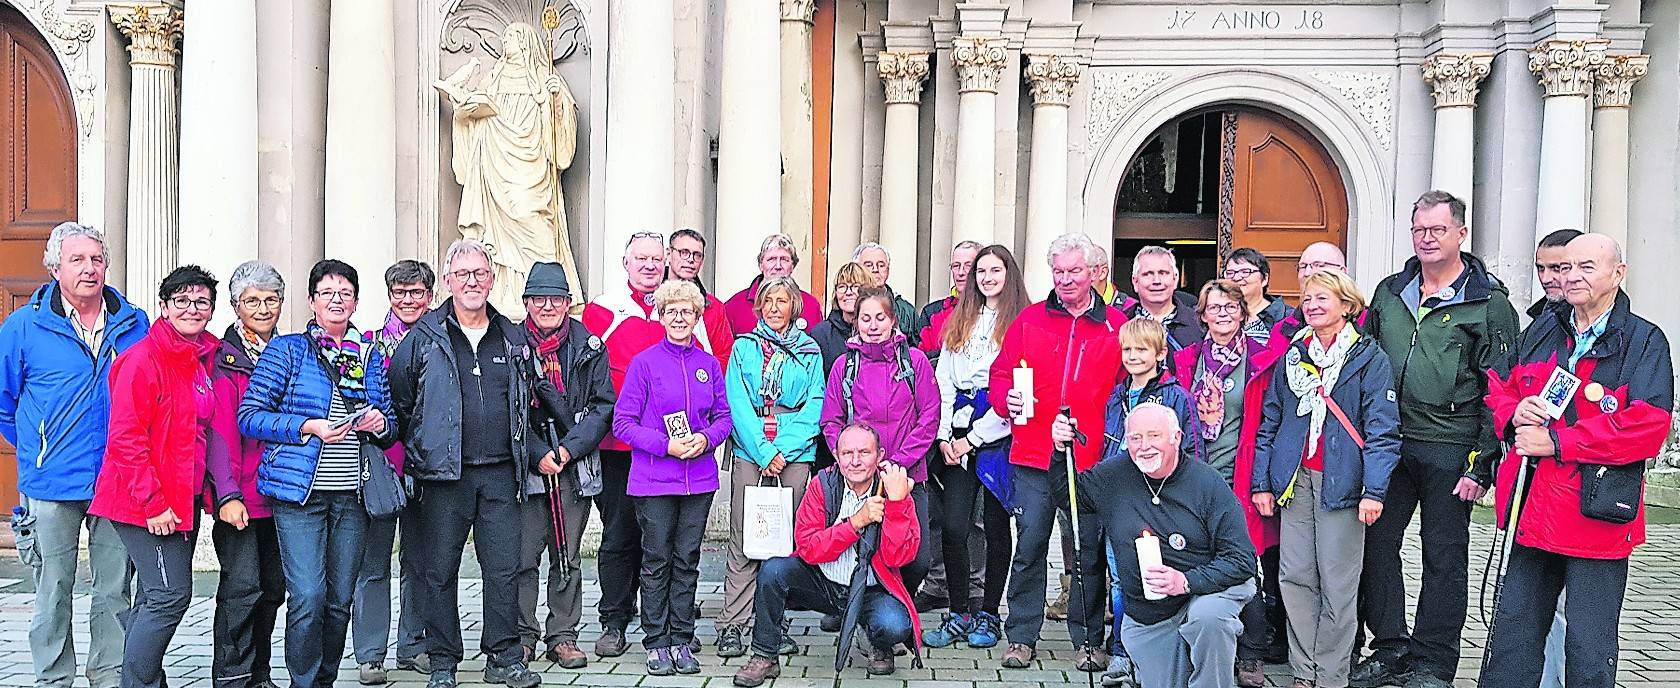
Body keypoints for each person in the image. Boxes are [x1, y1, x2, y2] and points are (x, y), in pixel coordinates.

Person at [1480, 233, 1671, 688]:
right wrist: (1513, 412)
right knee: (1511, 642)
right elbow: (1500, 386)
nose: (1571, 276)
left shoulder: (1644, 341)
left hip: (1596, 520)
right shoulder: (1545, 327)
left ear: (1617, 274)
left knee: (1589, 648)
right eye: (1565, 267)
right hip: (1533, 512)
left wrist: (1560, 442)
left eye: (1587, 266)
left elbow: (1646, 426)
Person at [1356, 190, 1518, 688]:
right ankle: (1389, 646)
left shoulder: (1488, 304)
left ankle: (1433, 660)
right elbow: (1365, 358)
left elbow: (1501, 389)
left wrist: (1482, 464)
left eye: (1437, 230)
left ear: (1460, 235)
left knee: (1442, 554)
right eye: (1419, 230)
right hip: (1388, 442)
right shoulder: (1390, 291)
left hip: (1452, 446)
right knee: (1377, 547)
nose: (1427, 239)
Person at [388, 240, 551, 688]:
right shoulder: (423, 336)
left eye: (480, 273)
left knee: (504, 568)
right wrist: (421, 454)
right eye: (463, 274)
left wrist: (538, 451)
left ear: (493, 279)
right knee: (438, 570)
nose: (472, 282)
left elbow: (526, 404)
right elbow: (402, 402)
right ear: (448, 282)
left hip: (501, 472)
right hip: (443, 477)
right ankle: (442, 660)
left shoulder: (512, 336)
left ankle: (504, 656)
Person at [239, 259, 398, 688]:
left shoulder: (369, 355)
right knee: (308, 595)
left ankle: (324, 680)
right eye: (327, 293)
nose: (336, 300)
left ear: (356, 302)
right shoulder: (288, 350)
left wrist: (380, 425)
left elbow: (390, 423)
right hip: (300, 495)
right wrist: (307, 427)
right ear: (311, 301)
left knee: (339, 600)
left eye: (345, 293)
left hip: (353, 494)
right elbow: (249, 417)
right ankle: (303, 682)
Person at [0, 222, 146, 688]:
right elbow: (4, 403)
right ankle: (53, 678)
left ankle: (108, 674)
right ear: (54, 268)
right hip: (51, 483)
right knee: (53, 588)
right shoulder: (24, 325)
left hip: (116, 479)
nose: (89, 269)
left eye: (97, 260)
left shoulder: (134, 323)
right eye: (78, 260)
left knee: (114, 589)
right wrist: (38, 449)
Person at [582, 232, 730, 655]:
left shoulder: (688, 313)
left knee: (674, 550)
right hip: (619, 447)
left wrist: (702, 437)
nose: (648, 265)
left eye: (654, 258)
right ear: (625, 262)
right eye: (639, 258)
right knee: (620, 536)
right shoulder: (605, 309)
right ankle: (615, 620)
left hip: (683, 459)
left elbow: (714, 379)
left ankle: (670, 627)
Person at [1253, 269, 1402, 688]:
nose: (1313, 305)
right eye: (1308, 298)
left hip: (1343, 484)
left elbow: (1382, 430)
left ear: (1347, 306)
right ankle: (1304, 672)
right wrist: (1263, 483)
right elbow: (1271, 422)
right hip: (1296, 482)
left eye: (1323, 298)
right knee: (1295, 578)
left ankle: (1332, 675)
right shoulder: (1292, 356)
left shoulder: (1369, 359)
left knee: (1337, 583)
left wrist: (1374, 490)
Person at [989, 232, 1128, 672]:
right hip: (1032, 452)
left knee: (1087, 549)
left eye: (1075, 271)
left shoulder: (1115, 326)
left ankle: (1088, 639)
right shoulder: (1029, 320)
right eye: (1059, 271)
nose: (1066, 279)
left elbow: (1129, 384)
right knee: (1029, 545)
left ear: (1094, 273)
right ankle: (1021, 636)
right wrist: (1006, 399)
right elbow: (1000, 376)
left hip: (1089, 459)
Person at [88, 266, 224, 688]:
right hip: (145, 501)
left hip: (181, 496)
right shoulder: (143, 359)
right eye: (181, 301)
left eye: (201, 301)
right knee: (169, 596)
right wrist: (154, 503)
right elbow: (126, 438)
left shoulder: (201, 359)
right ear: (163, 307)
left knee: (152, 595)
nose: (191, 309)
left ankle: (146, 679)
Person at [1069, 403, 1258, 688]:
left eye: (1154, 436)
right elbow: (1069, 497)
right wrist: (1060, 452)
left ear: (1177, 437)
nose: (1144, 446)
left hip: (1210, 589)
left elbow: (1242, 559)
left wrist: (1185, 581)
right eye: (1135, 438)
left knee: (1207, 619)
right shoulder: (1114, 476)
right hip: (1150, 612)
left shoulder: (1208, 483)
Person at [730, 424, 922, 687]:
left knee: (895, 624)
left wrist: (898, 505)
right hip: (823, 582)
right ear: (835, 455)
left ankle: (880, 644)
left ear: (880, 455)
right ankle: (764, 655)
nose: (855, 461)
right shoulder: (823, 484)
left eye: (864, 452)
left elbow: (899, 558)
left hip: (871, 591)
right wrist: (855, 522)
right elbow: (807, 547)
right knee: (774, 571)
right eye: (847, 453)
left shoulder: (893, 489)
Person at [1171, 279, 1287, 687]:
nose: (1222, 313)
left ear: (1242, 313)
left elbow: (1270, 421)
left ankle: (1252, 652)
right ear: (1201, 316)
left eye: (1230, 307)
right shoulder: (1185, 359)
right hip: (1195, 478)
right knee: (1201, 558)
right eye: (1213, 307)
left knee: (1244, 561)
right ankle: (1204, 644)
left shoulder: (1262, 360)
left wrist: (1262, 481)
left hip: (1240, 478)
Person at [612, 279, 730, 675]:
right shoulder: (644, 363)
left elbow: (723, 418)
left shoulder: (708, 365)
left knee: (687, 560)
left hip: (698, 479)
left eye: (687, 311)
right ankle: (656, 640)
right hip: (653, 480)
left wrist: (704, 438)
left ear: (697, 318)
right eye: (672, 311)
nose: (680, 318)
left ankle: (682, 638)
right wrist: (665, 445)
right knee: (656, 560)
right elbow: (623, 423)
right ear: (661, 317)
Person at [921, 245, 1028, 650]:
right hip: (958, 431)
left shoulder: (1020, 323)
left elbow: (1013, 392)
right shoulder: (959, 320)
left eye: (994, 270)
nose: (985, 277)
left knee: (997, 529)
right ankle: (960, 611)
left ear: (1008, 273)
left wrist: (973, 438)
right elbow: (944, 379)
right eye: (980, 271)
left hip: (998, 433)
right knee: (953, 526)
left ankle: (990, 613)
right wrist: (945, 435)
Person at [717, 277, 828, 658]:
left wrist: (784, 447)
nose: (776, 307)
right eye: (769, 301)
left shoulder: (810, 352)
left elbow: (817, 403)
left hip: (795, 451)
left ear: (794, 306)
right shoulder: (744, 348)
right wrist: (764, 451)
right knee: (745, 535)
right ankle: (733, 623)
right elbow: (736, 402)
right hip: (751, 448)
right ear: (760, 306)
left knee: (782, 539)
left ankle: (772, 624)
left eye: (783, 300)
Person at [513, 262, 614, 669]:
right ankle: (521, 635)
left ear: (569, 303)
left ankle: (563, 634)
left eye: (556, 298)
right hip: (525, 464)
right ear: (527, 303)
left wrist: (567, 451)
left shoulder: (590, 346)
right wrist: (539, 452)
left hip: (573, 465)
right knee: (522, 555)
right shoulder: (510, 342)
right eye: (540, 298)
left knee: (567, 553)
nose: (548, 305)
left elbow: (603, 407)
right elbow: (509, 408)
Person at [819, 286, 940, 595]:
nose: (873, 326)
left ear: (893, 320)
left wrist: (898, 462)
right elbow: (831, 420)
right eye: (865, 319)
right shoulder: (844, 367)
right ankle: (861, 611)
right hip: (858, 478)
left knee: (917, 559)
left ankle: (895, 604)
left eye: (880, 318)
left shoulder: (914, 363)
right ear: (855, 322)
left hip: (907, 475)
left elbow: (929, 417)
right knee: (863, 552)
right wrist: (849, 458)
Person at [207, 261, 289, 688]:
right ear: (236, 306)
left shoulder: (291, 351)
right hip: (241, 496)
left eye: (271, 299)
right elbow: (220, 433)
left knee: (273, 588)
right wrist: (227, 494)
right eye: (252, 300)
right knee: (242, 589)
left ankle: (260, 673)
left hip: (286, 493)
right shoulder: (225, 360)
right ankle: (232, 677)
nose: (262, 308)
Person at [354, 259, 436, 682]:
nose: (408, 300)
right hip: (380, 466)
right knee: (373, 563)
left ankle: (413, 644)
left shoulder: (442, 340)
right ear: (388, 296)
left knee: (420, 561)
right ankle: (370, 654)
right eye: (400, 292)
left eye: (416, 292)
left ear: (429, 296)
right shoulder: (367, 346)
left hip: (427, 466)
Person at [1524, 228, 1583, 688]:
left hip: (1580, 480)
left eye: (1559, 267)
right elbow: (1508, 385)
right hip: (1532, 478)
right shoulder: (1542, 321)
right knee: (1535, 599)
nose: (1549, 277)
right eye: (1542, 267)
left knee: (1570, 605)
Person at [724, 234, 824, 335]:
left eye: (784, 259)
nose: (778, 266)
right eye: (771, 259)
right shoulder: (734, 307)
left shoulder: (811, 305)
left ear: (793, 266)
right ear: (760, 265)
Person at [665, 227, 735, 365]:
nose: (691, 260)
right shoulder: (651, 301)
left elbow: (726, 358)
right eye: (684, 252)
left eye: (697, 255)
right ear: (668, 254)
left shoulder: (714, 307)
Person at [1270, 242, 1360, 344]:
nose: (1307, 273)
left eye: (1318, 265)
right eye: (1303, 266)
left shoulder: (1366, 323)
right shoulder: (1283, 328)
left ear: (1342, 271)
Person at [1121, 246, 1204, 351]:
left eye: (1163, 273)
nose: (1156, 281)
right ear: (1135, 282)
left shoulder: (1199, 325)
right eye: (1148, 274)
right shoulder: (1119, 324)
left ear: (1175, 279)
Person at [915, 240, 982, 358]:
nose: (960, 272)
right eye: (956, 266)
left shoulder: (991, 311)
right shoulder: (931, 313)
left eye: (968, 266)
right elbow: (919, 359)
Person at [810, 262, 872, 374]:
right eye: (842, 287)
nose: (848, 292)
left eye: (855, 286)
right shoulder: (820, 334)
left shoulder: (877, 332)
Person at [851, 242, 920, 343]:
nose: (875, 269)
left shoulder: (906, 310)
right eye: (869, 265)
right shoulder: (847, 304)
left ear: (888, 270)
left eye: (881, 265)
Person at [1223, 248, 1290, 345]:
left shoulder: (1286, 317)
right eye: (1230, 273)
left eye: (1245, 272)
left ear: (1264, 279)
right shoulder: (1215, 314)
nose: (1236, 278)